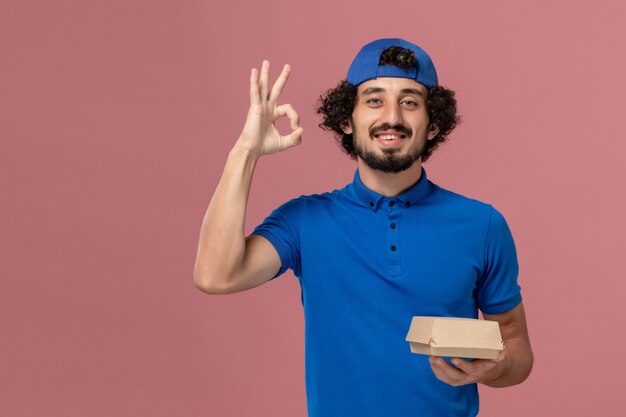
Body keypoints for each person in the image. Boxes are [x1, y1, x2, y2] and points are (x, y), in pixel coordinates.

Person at [193, 38, 533, 417]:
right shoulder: (306, 220)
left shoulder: (482, 224)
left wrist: (497, 368)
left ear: (433, 124)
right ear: (347, 121)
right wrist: (245, 151)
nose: (392, 117)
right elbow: (215, 275)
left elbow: (516, 346)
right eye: (374, 100)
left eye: (409, 101)